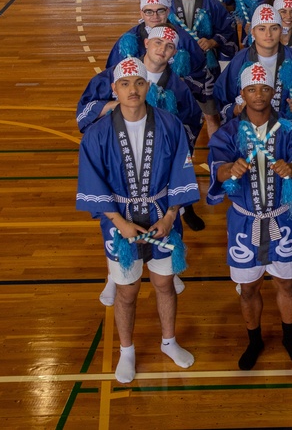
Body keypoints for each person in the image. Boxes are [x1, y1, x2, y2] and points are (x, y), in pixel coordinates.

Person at [76, 57, 200, 384]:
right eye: (125, 84)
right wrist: (119, 222)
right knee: (127, 291)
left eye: (139, 83)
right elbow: (93, 181)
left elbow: (180, 171)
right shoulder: (98, 134)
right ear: (114, 88)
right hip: (121, 224)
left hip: (163, 215)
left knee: (164, 284)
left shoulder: (170, 124)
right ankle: (127, 351)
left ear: (148, 86)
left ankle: (169, 342)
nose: (133, 90)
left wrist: (172, 214)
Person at [78, 25, 204, 302]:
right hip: (120, 162)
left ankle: (166, 272)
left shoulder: (176, 85)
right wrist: (112, 108)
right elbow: (83, 113)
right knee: (116, 234)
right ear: (146, 43)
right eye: (157, 43)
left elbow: (193, 120)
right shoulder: (118, 71)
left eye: (169, 46)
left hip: (160, 169)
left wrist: (183, 150)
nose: (162, 50)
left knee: (166, 239)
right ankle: (114, 275)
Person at [207, 62, 292, 370]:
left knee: (287, 284)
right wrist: (231, 169)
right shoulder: (228, 132)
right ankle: (254, 340)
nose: (258, 95)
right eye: (252, 89)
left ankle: (289, 337)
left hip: (284, 219)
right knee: (248, 287)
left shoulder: (290, 129)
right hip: (244, 220)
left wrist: (291, 168)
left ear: (272, 92)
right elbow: (217, 167)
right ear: (242, 93)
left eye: (264, 88)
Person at [166, 0, 239, 137]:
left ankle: (214, 154)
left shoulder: (211, 5)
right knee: (173, 115)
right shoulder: (166, 6)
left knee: (211, 115)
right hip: (173, 68)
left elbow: (228, 29)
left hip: (205, 70)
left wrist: (213, 41)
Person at [214, 3, 292, 124]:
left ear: (281, 30)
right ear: (252, 32)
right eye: (262, 29)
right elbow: (221, 99)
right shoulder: (239, 62)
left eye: (274, 28)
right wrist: (236, 109)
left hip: (287, 134)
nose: (268, 34)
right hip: (249, 131)